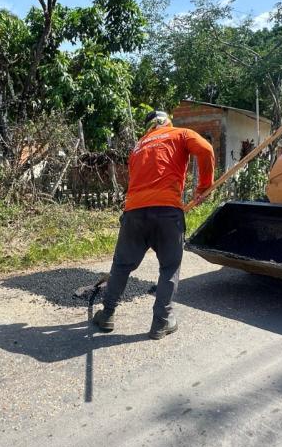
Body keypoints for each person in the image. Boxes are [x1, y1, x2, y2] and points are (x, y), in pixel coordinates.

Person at [92, 111, 216, 340]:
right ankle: (161, 322)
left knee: (121, 265)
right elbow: (206, 149)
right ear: (167, 122)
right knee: (169, 268)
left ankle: (107, 314)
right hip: (168, 212)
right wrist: (204, 187)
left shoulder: (138, 147)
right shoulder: (181, 133)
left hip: (134, 213)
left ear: (148, 127)